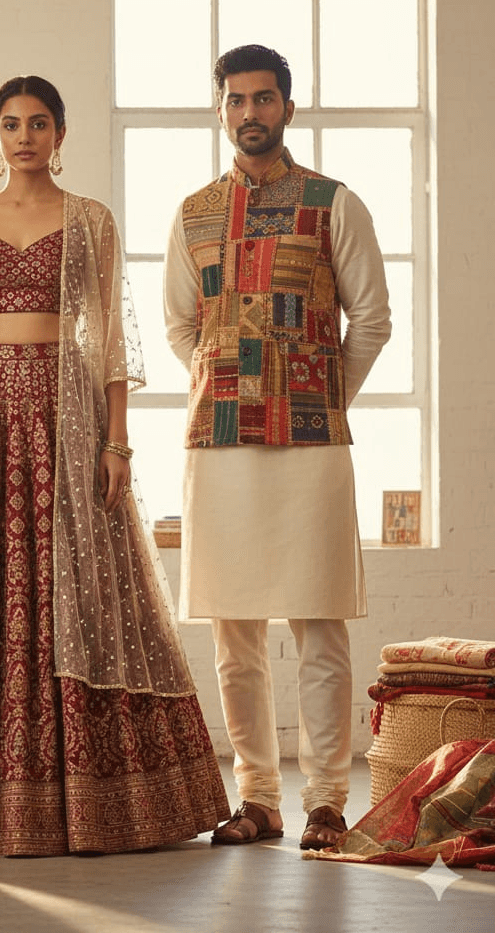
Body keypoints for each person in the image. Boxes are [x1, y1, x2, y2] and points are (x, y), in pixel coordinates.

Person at [0, 75, 229, 856]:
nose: (24, 136)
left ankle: (103, 800)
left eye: (39, 124)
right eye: (10, 124)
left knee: (86, 586)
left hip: (65, 420)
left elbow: (112, 346)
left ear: (61, 134)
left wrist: (117, 440)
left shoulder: (91, 220)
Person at [163, 45, 392, 849]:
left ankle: (327, 800)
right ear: (221, 110)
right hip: (219, 441)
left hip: (311, 442)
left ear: (288, 108)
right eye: (236, 100)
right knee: (234, 632)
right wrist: (230, 385)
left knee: (321, 626)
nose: (250, 112)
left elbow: (371, 319)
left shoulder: (334, 204)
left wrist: (322, 394)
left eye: (264, 99)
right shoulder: (194, 212)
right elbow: (181, 326)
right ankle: (257, 799)